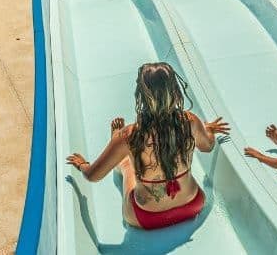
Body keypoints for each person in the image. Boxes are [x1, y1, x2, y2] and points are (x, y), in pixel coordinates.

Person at [66, 62, 229, 230]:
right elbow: (208, 146)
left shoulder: (129, 135)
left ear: (141, 95)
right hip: (193, 205)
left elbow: (93, 176)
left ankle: (118, 157)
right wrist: (207, 129)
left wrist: (82, 164)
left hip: (146, 217)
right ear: (175, 90)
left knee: (127, 164)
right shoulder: (190, 122)